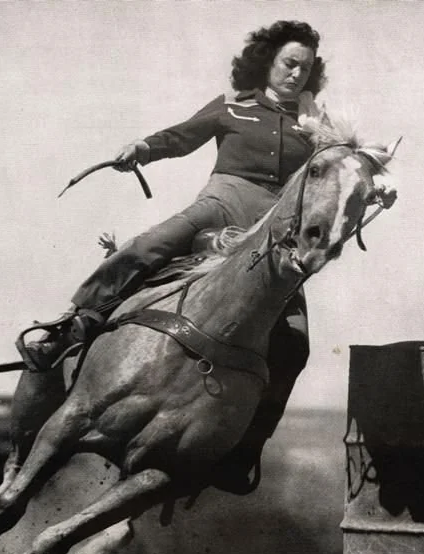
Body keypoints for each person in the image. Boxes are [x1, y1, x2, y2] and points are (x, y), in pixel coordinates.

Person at [17, 20, 328, 493]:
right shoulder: (233, 106)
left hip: (274, 234)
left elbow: (338, 173)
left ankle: (244, 447)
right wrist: (142, 148)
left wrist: (373, 188)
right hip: (222, 203)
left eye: (305, 68)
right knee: (146, 248)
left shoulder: (316, 125)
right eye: (290, 63)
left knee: (296, 343)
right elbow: (183, 136)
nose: (296, 75)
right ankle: (71, 328)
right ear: (267, 61)